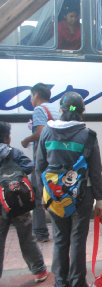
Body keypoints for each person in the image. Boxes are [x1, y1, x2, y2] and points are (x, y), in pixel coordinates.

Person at [35, 92, 102, 287]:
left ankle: (61, 286)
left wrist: (43, 195)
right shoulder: (88, 135)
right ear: (82, 111)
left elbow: (40, 166)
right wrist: (100, 199)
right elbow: (95, 170)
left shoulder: (47, 132)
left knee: (60, 238)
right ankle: (79, 286)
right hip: (82, 195)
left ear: (61, 109)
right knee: (77, 239)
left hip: (54, 195)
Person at [0, 122, 49, 283]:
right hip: (18, 202)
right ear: (7, 137)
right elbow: (29, 166)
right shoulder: (13, 153)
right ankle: (39, 270)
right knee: (26, 236)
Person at [21, 83, 60, 243]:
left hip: (43, 159)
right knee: (55, 193)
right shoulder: (56, 108)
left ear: (36, 95)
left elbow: (41, 132)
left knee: (37, 196)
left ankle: (41, 233)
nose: (30, 100)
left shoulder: (39, 109)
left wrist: (26, 140)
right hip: (56, 157)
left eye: (31, 96)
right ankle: (59, 229)